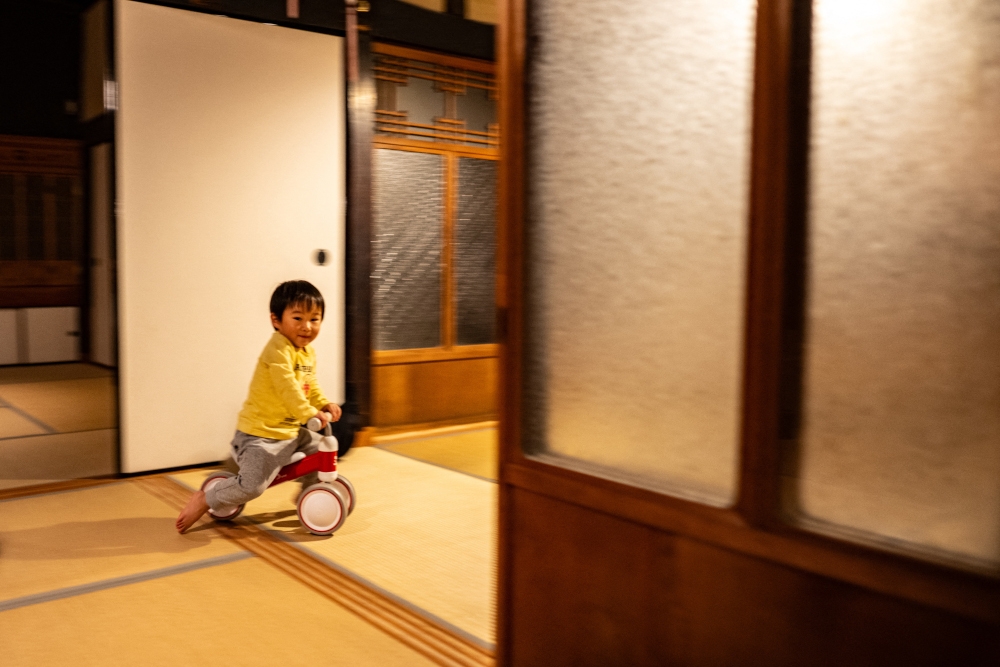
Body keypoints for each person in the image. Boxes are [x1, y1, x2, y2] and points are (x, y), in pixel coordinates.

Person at [176, 280, 346, 533]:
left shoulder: (307, 352)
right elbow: (287, 387)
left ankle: (309, 493)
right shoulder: (277, 350)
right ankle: (206, 498)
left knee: (320, 453)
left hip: (289, 433)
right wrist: (308, 413)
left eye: (315, 319)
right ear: (276, 320)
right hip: (260, 435)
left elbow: (309, 387)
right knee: (253, 486)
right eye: (298, 318)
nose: (307, 327)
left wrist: (323, 403)